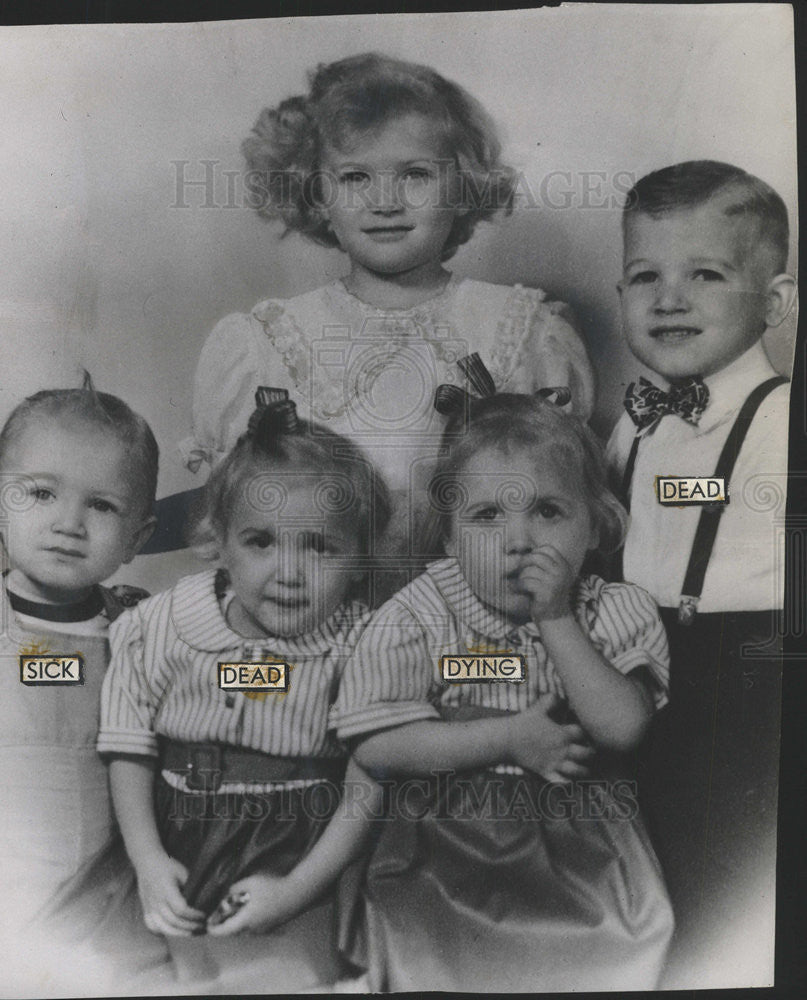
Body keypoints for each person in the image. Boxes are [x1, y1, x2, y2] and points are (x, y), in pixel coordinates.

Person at [174, 52, 594, 595]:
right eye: (354, 177)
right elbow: (236, 524)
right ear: (316, 195)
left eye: (415, 174)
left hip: (473, 633)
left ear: (461, 187)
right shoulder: (266, 343)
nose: (385, 201)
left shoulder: (518, 329)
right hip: (308, 628)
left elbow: (566, 503)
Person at [330, 359, 674, 991]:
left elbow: (624, 728)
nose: (519, 540)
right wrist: (505, 738)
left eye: (548, 511)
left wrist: (557, 618)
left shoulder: (614, 609)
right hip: (442, 848)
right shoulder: (418, 615)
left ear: (596, 524)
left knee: (604, 962)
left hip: (585, 850)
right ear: (451, 538)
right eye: (487, 517)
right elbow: (375, 743)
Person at [98, 388, 390, 993]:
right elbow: (127, 745)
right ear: (220, 542)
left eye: (321, 547)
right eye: (262, 541)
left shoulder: (364, 645)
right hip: (171, 835)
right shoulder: (162, 625)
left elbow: (369, 787)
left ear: (361, 557)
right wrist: (148, 862)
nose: (288, 571)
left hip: (301, 849)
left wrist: (298, 890)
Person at [606, 161, 797, 987]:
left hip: (742, 681)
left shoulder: (783, 417)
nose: (668, 298)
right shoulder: (634, 422)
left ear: (777, 303)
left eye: (705, 274)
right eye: (643, 276)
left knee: (723, 885)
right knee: (635, 883)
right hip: (634, 672)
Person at [0, 375, 164, 994]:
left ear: (137, 538)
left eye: (101, 505)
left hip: (107, 885)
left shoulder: (137, 625)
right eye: (41, 493)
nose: (69, 523)